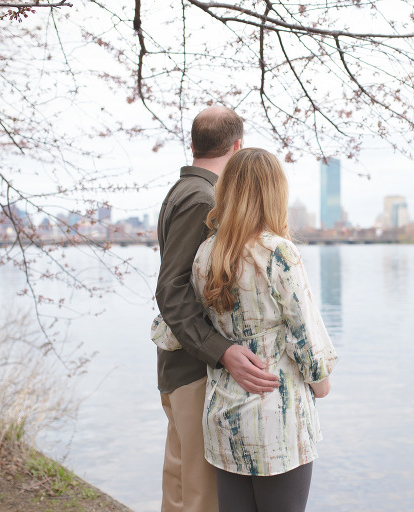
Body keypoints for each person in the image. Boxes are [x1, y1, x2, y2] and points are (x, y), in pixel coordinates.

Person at [191, 148, 338, 512]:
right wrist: (322, 382)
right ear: (275, 193)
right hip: (278, 420)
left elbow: (169, 330)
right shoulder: (278, 253)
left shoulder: (205, 253)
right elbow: (306, 337)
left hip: (224, 416)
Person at [153, 107, 280, 512]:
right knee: (202, 497)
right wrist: (222, 350)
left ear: (193, 144)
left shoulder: (183, 191)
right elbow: (171, 289)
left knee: (180, 488)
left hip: (180, 363)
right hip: (194, 368)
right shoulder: (203, 198)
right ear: (238, 146)